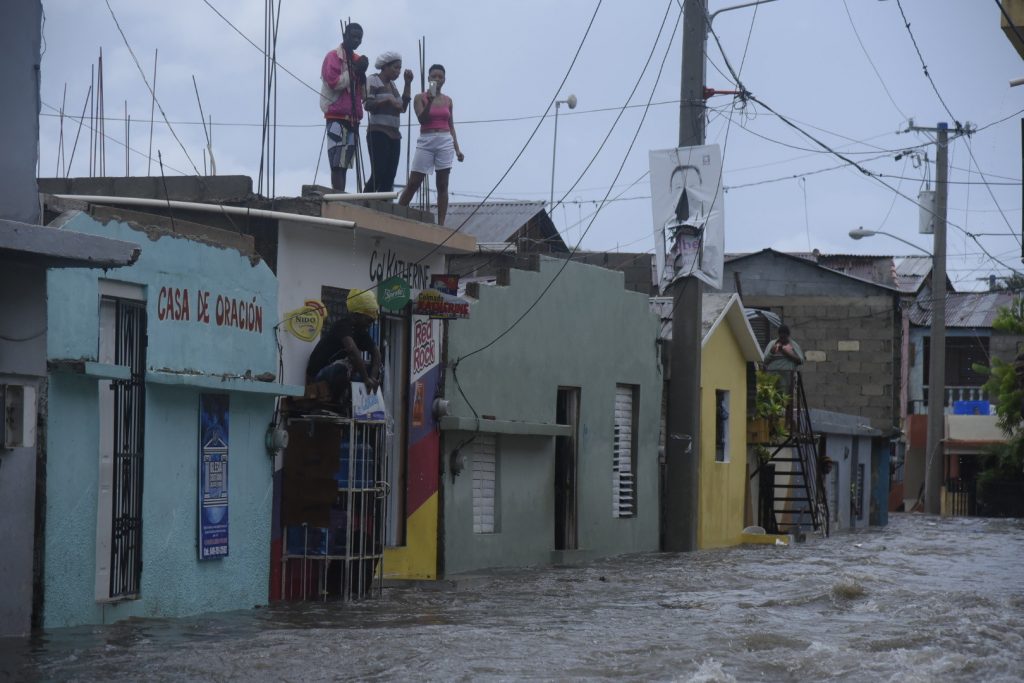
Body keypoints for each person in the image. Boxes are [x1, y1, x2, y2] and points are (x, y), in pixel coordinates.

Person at [398, 64, 464, 226]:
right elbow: (422, 119)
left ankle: (441, 223)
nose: (437, 79)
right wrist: (430, 101)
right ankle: (398, 212)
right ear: (428, 79)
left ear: (444, 80)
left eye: (440, 77)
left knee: (443, 184)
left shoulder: (448, 101)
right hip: (426, 140)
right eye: (434, 76)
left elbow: (451, 126)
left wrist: (457, 149)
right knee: (414, 182)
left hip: (444, 140)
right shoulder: (420, 97)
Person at [305, 289, 382, 404]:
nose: (369, 325)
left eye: (371, 322)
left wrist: (373, 378)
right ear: (355, 316)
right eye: (368, 320)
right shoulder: (342, 326)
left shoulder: (361, 332)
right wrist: (366, 379)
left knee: (378, 367)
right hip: (317, 376)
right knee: (344, 367)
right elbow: (352, 351)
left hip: (336, 375)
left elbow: (376, 353)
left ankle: (359, 401)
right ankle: (336, 404)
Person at [320, 23, 369, 192]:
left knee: (344, 163)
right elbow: (334, 83)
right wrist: (355, 71)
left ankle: (340, 195)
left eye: (359, 38)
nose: (356, 40)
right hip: (336, 116)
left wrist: (362, 74)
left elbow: (364, 93)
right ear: (344, 35)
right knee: (336, 163)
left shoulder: (357, 60)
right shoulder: (333, 57)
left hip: (353, 118)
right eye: (353, 36)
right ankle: (338, 195)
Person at [363, 52, 413, 193]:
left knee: (390, 174)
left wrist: (407, 84)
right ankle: (365, 199)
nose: (398, 72)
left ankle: (382, 204)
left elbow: (402, 107)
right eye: (395, 68)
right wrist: (387, 100)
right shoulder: (373, 80)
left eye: (399, 69)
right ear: (385, 66)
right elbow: (368, 104)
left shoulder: (393, 86)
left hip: (394, 135)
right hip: (378, 132)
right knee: (379, 171)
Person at [763, 324, 804, 396]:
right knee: (773, 398)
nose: (782, 340)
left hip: (787, 379)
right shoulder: (772, 344)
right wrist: (771, 353)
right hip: (773, 377)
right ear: (778, 335)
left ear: (788, 336)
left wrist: (785, 352)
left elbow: (800, 361)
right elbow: (765, 361)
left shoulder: (793, 345)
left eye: (784, 337)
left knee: (785, 399)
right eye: (781, 337)